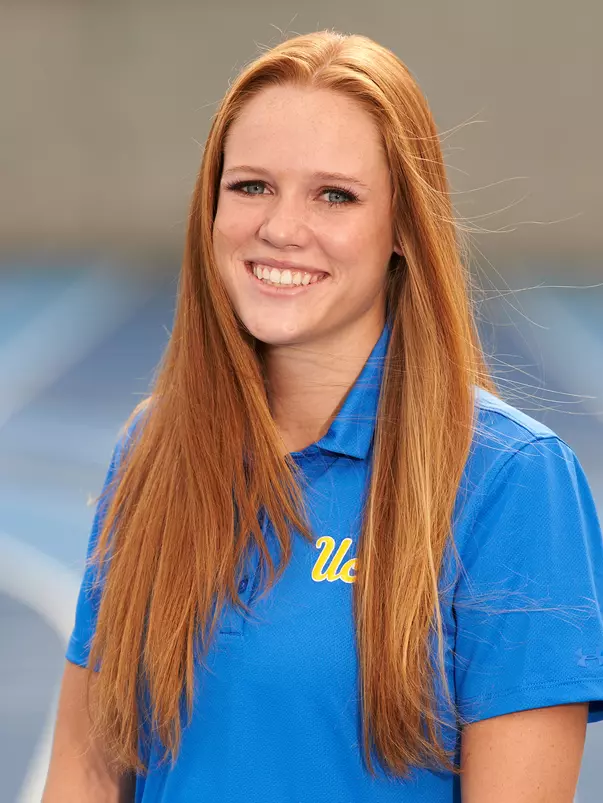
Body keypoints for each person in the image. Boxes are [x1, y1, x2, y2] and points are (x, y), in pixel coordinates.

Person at [42, 30, 603, 803]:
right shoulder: (156, 447)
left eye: (333, 195)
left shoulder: (510, 483)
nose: (280, 228)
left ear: (404, 227)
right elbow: (86, 771)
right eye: (250, 186)